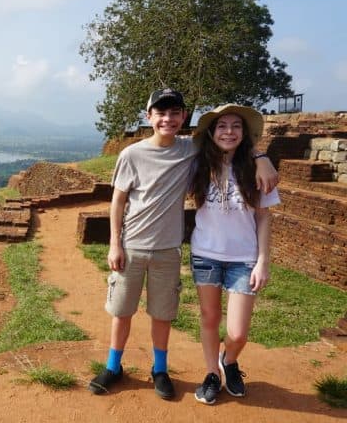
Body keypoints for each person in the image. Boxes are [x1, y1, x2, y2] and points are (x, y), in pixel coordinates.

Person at [88, 88, 279, 399]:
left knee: (162, 314)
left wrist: (261, 157)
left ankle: (160, 369)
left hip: (168, 249)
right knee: (122, 311)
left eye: (174, 113)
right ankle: (113, 366)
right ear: (149, 116)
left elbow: (233, 142)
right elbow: (118, 201)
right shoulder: (132, 155)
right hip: (132, 244)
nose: (168, 119)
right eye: (160, 113)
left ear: (184, 117)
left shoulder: (192, 149)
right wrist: (114, 244)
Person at [189, 104, 279, 405]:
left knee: (238, 333)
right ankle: (212, 373)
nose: (229, 131)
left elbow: (264, 217)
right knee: (209, 318)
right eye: (222, 126)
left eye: (236, 126)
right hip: (206, 254)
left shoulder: (256, 168)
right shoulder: (197, 165)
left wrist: (263, 260)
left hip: (244, 258)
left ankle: (229, 359)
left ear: (245, 133)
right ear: (212, 133)